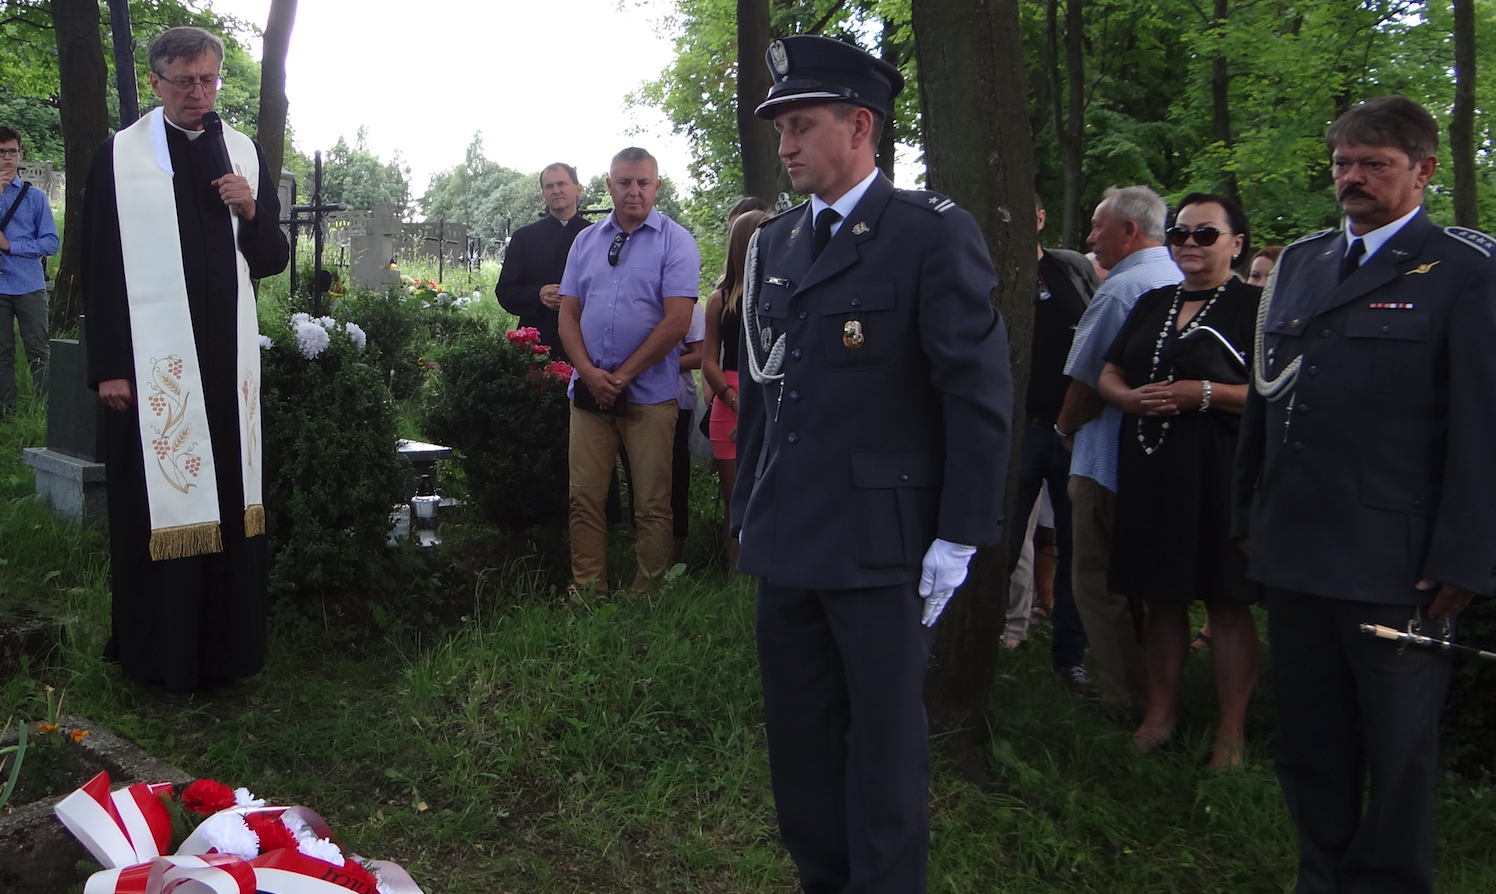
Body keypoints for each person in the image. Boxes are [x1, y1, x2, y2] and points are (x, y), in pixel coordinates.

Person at [732, 36, 1012, 893]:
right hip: (790, 542)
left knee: (885, 762)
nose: (784, 145)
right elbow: (764, 394)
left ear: (861, 126)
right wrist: (747, 507)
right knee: (803, 756)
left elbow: (977, 396)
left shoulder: (928, 234)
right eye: (779, 125)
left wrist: (960, 536)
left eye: (802, 124)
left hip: (883, 551)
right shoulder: (775, 244)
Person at [1235, 95, 1496, 894]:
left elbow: (1482, 424)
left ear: (1422, 171)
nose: (1352, 178)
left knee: (1398, 746)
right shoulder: (1305, 262)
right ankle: (1324, 873)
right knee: (1309, 739)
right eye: (1344, 162)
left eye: (1374, 164)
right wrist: (1249, 516)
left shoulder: (1465, 270)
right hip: (1300, 547)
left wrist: (1467, 554)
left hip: (1397, 559)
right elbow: (1268, 400)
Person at [81, 26, 289, 703]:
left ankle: (224, 655)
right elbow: (101, 267)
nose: (200, 94)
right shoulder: (120, 158)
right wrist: (110, 365)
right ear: (158, 83)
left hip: (226, 369)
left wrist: (251, 208)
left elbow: (269, 259)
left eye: (209, 80)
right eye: (185, 83)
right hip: (152, 367)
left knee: (227, 498)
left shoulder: (244, 152)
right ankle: (158, 655)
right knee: (158, 503)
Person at [1098, 193, 1261, 766]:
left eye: (1206, 234)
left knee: (1226, 601)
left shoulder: (1256, 308)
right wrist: (1126, 397)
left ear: (1236, 244)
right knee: (1160, 596)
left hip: (1219, 470)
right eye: (1180, 233)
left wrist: (1207, 393)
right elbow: (1110, 370)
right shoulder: (1153, 302)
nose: (1190, 243)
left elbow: (1278, 394)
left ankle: (1231, 734)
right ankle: (1160, 714)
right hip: (1152, 466)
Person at [1055, 186, 1182, 719]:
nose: (1089, 237)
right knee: (1150, 590)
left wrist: (1063, 428)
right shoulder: (1178, 280)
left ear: (1129, 231)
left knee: (1096, 581)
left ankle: (1127, 700)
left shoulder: (1121, 289)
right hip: (1161, 466)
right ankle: (1165, 696)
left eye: (1097, 225)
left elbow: (1085, 381)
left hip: (1104, 458)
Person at [558, 146, 699, 592]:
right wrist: (588, 371)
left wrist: (622, 375)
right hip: (590, 394)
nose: (633, 191)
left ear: (657, 185)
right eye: (624, 182)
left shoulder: (677, 241)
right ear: (609, 186)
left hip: (650, 396)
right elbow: (568, 315)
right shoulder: (584, 242)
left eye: (643, 182)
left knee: (653, 503)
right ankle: (587, 588)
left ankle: (648, 592)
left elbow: (677, 320)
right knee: (584, 499)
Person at [1004, 192, 1098, 690]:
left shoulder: (1072, 271)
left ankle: (1070, 656)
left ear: (1040, 217)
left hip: (1072, 433)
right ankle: (988, 639)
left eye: (1026, 212)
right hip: (1016, 429)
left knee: (1074, 546)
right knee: (999, 541)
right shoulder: (989, 274)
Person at [701, 208, 767, 565]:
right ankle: (736, 575)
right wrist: (734, 400)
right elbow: (708, 359)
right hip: (730, 401)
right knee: (735, 499)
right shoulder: (720, 299)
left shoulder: (780, 294)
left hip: (770, 398)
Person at [495, 162, 590, 362]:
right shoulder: (524, 237)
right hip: (536, 341)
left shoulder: (596, 237)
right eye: (549, 186)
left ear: (578, 188)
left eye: (562, 183)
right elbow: (505, 291)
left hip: (585, 341)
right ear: (543, 193)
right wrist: (538, 294)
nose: (556, 190)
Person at [0, 125, 58, 417]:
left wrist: (11, 246)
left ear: (20, 154)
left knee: (38, 350)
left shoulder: (33, 198)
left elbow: (51, 242)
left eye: (12, 151)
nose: (7, 158)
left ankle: (47, 412)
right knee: (1, 353)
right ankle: (7, 414)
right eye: (1, 152)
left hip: (28, 283)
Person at [669, 302, 705, 564]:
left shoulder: (690, 306)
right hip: (631, 397)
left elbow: (700, 355)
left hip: (676, 400)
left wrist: (651, 362)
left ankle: (672, 558)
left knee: (674, 479)